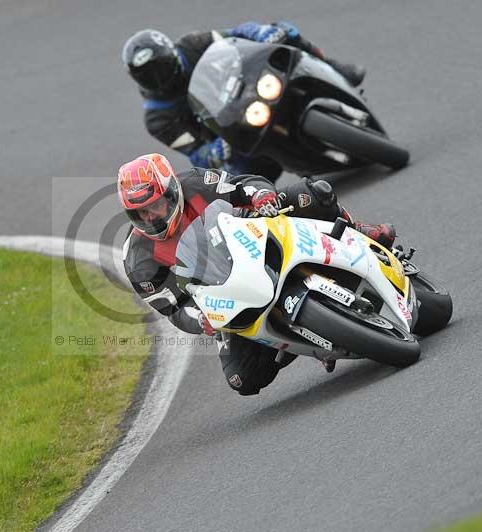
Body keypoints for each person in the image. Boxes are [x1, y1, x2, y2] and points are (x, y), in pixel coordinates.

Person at [119, 153, 395, 396]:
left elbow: (243, 185)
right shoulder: (138, 259)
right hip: (224, 293)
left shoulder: (197, 182)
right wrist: (200, 319)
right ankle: (301, 343)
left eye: (155, 206)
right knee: (242, 380)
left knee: (311, 192)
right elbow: (173, 308)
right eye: (140, 213)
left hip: (255, 235)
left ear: (172, 191)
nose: (151, 217)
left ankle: (358, 230)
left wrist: (261, 196)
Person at [122, 22, 366, 178]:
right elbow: (196, 152)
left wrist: (262, 34)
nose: (160, 78)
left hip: (250, 86)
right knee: (243, 181)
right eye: (150, 77)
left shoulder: (192, 45)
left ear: (171, 55)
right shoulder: (157, 118)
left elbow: (237, 35)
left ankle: (336, 70)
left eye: (162, 68)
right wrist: (216, 151)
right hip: (233, 135)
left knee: (286, 32)